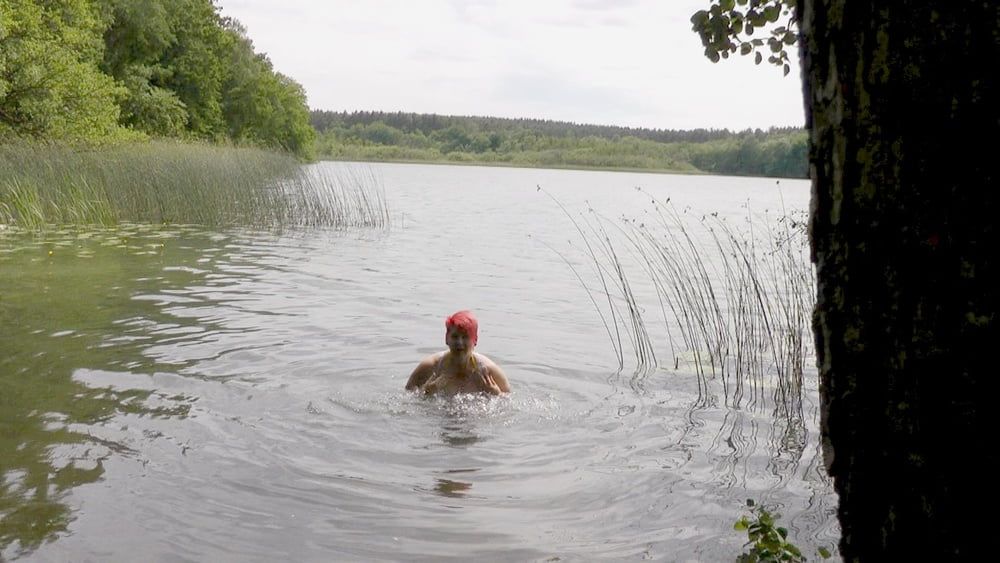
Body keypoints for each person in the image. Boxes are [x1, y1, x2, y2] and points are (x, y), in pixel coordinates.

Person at [405, 310, 511, 396]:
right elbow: (407, 398)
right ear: (447, 338)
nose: (459, 343)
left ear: (475, 340)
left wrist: (496, 394)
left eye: (465, 337)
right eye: (455, 337)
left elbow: (508, 403)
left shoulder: (489, 372)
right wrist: (426, 393)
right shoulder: (431, 367)